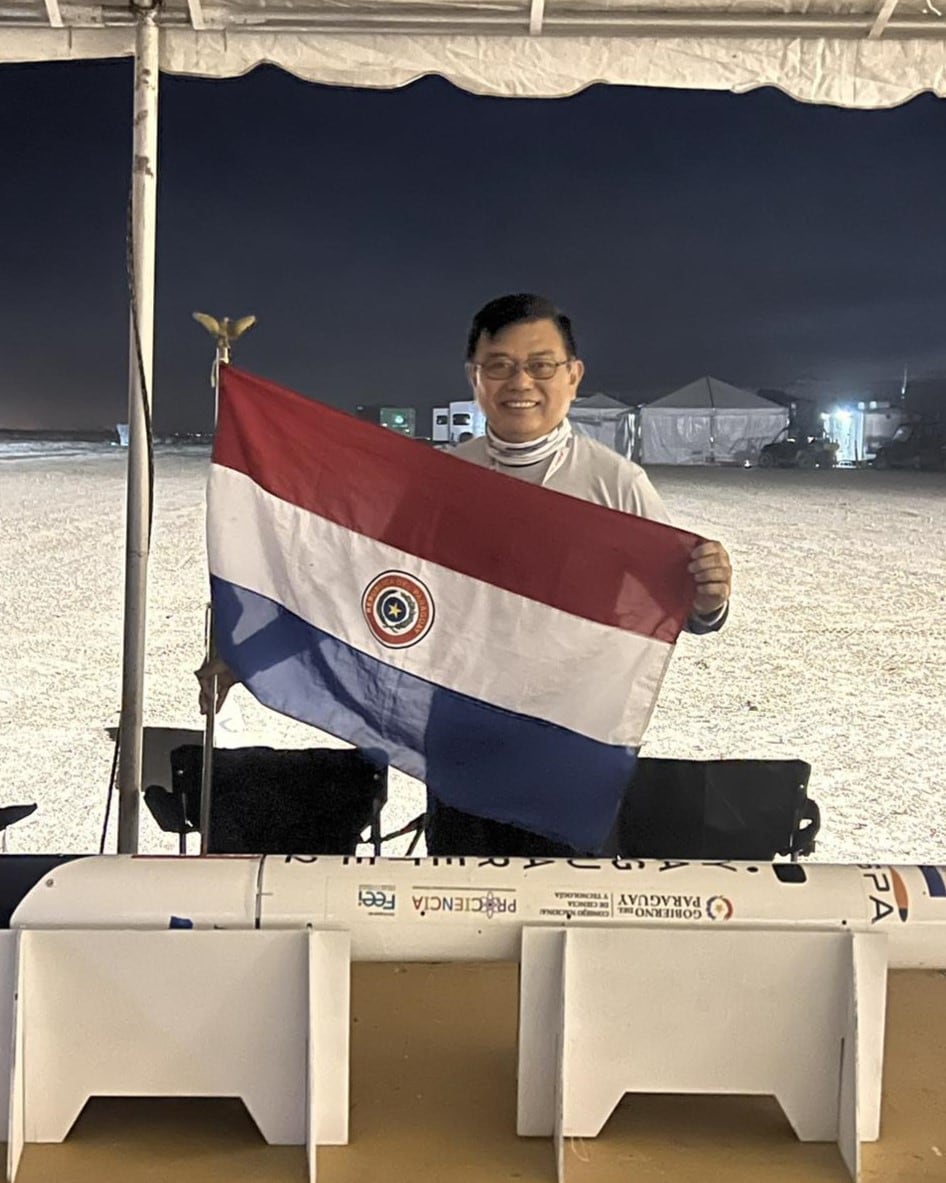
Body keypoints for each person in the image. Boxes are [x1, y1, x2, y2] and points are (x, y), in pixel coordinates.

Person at [197, 293, 732, 857]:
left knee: (564, 899)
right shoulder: (444, 481)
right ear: (474, 378)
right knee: (460, 895)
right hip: (461, 739)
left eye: (541, 365)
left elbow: (674, 610)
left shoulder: (616, 485)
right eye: (499, 366)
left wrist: (708, 598)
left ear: (573, 376)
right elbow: (365, 585)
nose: (520, 382)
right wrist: (248, 649)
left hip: (568, 744)